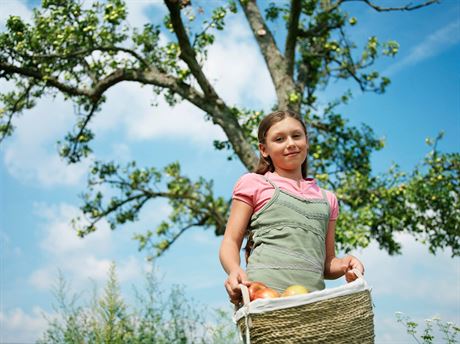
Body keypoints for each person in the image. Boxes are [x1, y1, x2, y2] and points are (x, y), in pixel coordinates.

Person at [219, 110, 364, 305]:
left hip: (312, 303)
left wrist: (346, 263)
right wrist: (234, 269)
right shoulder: (254, 183)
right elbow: (230, 240)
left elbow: (327, 264)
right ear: (264, 149)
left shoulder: (328, 199)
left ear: (307, 141)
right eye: (279, 139)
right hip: (263, 300)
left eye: (297, 136)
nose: (291, 143)